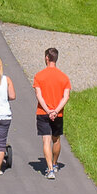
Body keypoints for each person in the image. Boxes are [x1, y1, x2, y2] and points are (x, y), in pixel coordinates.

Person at [33, 47, 71, 179]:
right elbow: (65, 97)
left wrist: (48, 110)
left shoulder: (39, 76)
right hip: (58, 114)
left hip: (43, 112)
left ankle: (49, 169)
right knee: (56, 139)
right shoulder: (64, 77)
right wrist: (56, 110)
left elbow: (39, 95)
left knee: (46, 140)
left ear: (47, 58)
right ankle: (55, 163)